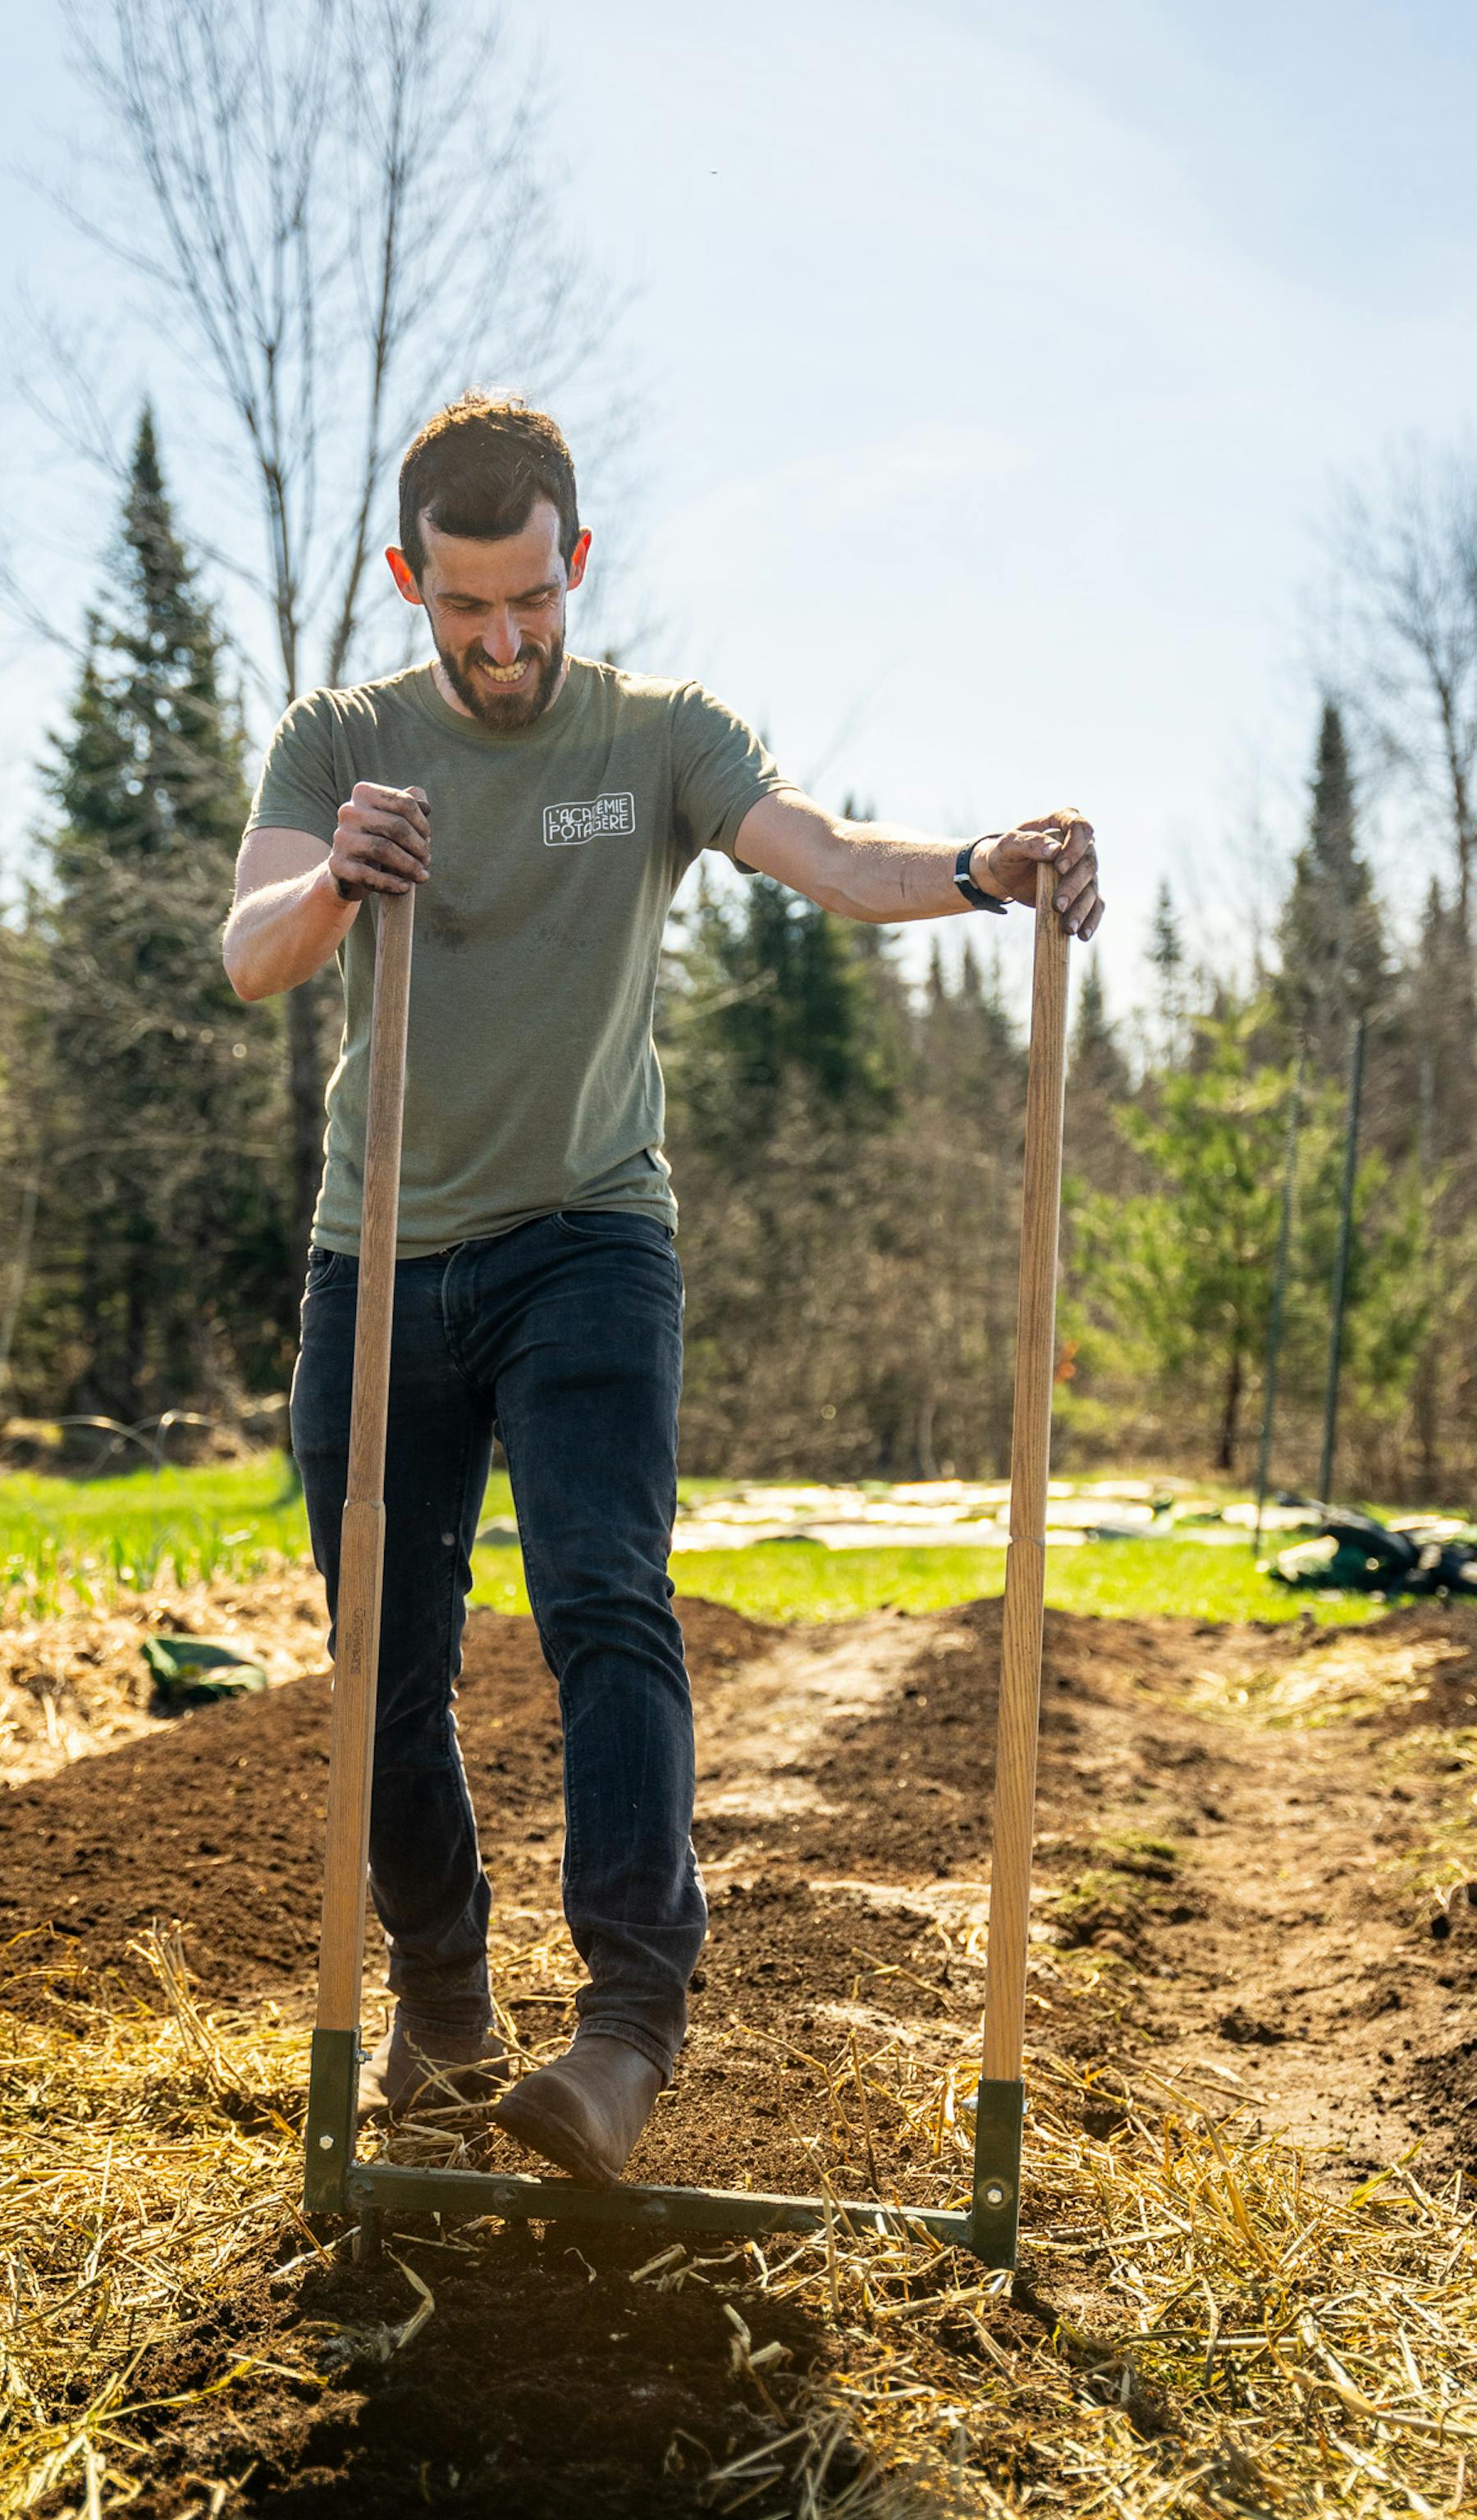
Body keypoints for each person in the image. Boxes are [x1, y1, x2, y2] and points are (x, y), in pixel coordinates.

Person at [223, 394, 1103, 2187]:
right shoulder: (342, 742)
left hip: (587, 1240)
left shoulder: (657, 736)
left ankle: (626, 2028)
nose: (502, 640)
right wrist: (338, 876)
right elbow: (252, 956)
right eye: (464, 608)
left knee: (605, 1600)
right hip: (373, 1253)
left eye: (530, 599)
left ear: (575, 564)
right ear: (409, 581)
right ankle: (444, 1993)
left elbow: (829, 854)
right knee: (381, 1661)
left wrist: (973, 867)